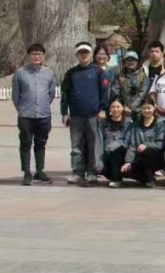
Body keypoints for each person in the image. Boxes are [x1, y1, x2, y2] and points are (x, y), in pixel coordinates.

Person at [60, 42, 110, 186]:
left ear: (90, 54)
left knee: (94, 145)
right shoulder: (71, 73)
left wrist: (103, 109)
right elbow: (65, 94)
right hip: (76, 116)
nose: (84, 55)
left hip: (94, 115)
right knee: (76, 146)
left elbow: (104, 92)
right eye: (81, 53)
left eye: (86, 52)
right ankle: (77, 172)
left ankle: (92, 173)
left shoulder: (98, 72)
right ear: (77, 55)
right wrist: (64, 112)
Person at [13, 43, 57, 185]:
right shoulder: (20, 73)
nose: (36, 56)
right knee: (25, 143)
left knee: (41, 143)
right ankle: (27, 172)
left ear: (43, 56)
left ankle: (39, 171)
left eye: (39, 54)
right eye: (33, 54)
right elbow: (15, 95)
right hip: (26, 116)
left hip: (44, 115)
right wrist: (22, 109)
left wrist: (42, 106)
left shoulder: (49, 73)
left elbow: (51, 93)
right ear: (29, 56)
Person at [121, 99, 165, 188]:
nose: (147, 110)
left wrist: (146, 145)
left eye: (149, 108)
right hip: (140, 157)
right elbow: (132, 145)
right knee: (125, 171)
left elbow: (159, 144)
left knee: (147, 151)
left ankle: (150, 179)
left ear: (154, 108)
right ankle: (147, 178)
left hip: (155, 156)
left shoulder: (160, 124)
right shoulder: (136, 125)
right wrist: (128, 161)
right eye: (144, 108)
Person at [98, 98, 130, 188]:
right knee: (98, 165)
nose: (116, 109)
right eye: (113, 107)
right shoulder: (103, 123)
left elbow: (128, 141)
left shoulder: (128, 122)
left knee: (116, 151)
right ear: (109, 108)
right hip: (106, 152)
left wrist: (113, 146)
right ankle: (113, 175)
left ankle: (117, 180)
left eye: (118, 107)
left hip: (122, 154)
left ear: (123, 108)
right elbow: (100, 140)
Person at [116, 51, 149, 120]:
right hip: (123, 110)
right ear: (124, 62)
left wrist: (131, 107)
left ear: (137, 62)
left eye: (133, 60)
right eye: (128, 60)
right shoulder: (120, 76)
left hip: (139, 110)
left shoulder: (142, 75)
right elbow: (117, 93)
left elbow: (143, 93)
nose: (130, 62)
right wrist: (122, 106)